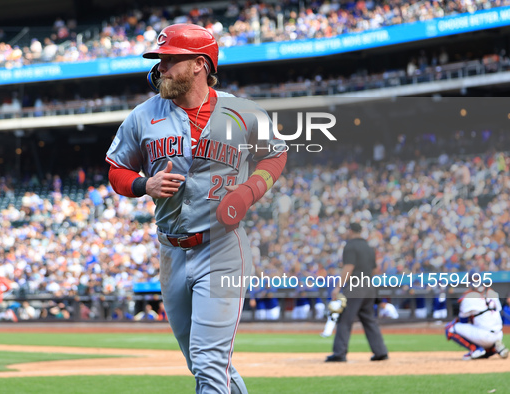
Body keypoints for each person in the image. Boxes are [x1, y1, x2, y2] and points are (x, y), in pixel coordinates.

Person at [105, 23, 286, 393]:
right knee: (201, 362)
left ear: (200, 65)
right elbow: (117, 170)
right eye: (160, 60)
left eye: (171, 60)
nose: (161, 68)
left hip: (221, 247)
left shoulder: (243, 112)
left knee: (208, 360)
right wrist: (144, 184)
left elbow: (276, 154)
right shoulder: (143, 116)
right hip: (171, 251)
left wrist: (249, 191)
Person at [325, 222, 389, 362]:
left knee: (344, 319)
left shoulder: (350, 245)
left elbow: (348, 267)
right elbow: (374, 271)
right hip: (369, 287)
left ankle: (339, 353)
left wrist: (338, 287)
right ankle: (381, 352)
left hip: (355, 287)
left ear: (350, 231)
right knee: (369, 320)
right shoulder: (369, 247)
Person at [445, 286, 509, 360]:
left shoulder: (469, 296)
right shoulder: (492, 292)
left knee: (449, 328)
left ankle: (476, 349)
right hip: (499, 334)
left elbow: (463, 321)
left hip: (484, 336)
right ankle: (494, 348)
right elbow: (499, 311)